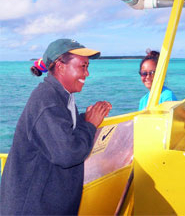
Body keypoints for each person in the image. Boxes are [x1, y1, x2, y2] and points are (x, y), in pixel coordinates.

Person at [0, 38, 112, 215]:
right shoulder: (47, 102)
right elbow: (68, 153)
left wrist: (85, 119)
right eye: (83, 66)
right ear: (60, 66)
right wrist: (90, 125)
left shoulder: (60, 96)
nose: (87, 74)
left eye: (87, 67)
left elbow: (61, 132)